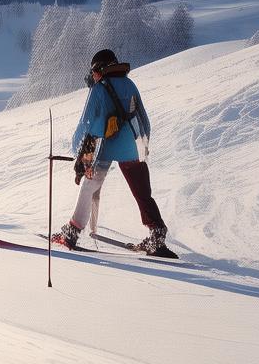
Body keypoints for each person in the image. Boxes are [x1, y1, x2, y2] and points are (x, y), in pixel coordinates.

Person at [52, 49, 172, 256]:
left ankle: (71, 232)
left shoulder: (99, 89)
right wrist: (142, 147)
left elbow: (86, 124)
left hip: (105, 147)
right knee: (142, 192)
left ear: (99, 69)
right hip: (132, 146)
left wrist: (78, 154)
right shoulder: (130, 84)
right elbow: (145, 120)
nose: (93, 76)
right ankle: (156, 235)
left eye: (93, 71)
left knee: (89, 186)